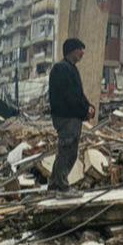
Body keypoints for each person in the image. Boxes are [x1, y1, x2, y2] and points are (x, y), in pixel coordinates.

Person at [48, 38, 95, 192]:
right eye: (81, 49)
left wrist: (89, 107)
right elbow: (69, 97)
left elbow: (79, 95)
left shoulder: (71, 69)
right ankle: (61, 186)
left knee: (68, 152)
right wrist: (84, 111)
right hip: (66, 117)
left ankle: (55, 184)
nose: (82, 53)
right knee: (67, 151)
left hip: (73, 117)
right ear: (72, 50)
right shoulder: (61, 69)